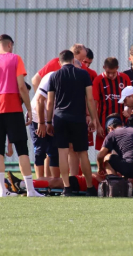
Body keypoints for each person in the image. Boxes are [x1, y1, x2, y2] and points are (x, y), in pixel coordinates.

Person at [0, 34, 43, 197]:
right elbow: (22, 87)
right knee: (22, 149)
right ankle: (30, 190)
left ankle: (1, 191)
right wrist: (28, 108)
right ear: (9, 45)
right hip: (14, 110)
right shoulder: (16, 59)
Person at [46, 50, 99, 196]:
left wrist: (48, 122)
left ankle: (67, 187)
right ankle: (89, 187)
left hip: (60, 118)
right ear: (73, 59)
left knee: (62, 153)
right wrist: (94, 119)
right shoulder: (83, 74)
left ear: (59, 61)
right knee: (83, 153)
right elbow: (89, 99)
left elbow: (50, 102)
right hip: (78, 118)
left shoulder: (54, 75)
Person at [96, 113, 133, 195]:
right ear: (122, 124)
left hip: (131, 168)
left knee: (107, 157)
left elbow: (100, 155)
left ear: (109, 128)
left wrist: (100, 168)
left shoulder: (112, 133)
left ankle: (114, 187)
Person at [93, 57, 131, 150]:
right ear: (103, 67)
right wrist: (98, 125)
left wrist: (128, 110)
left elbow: (131, 99)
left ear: (117, 68)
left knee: (122, 151)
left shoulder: (124, 78)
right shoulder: (98, 80)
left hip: (122, 123)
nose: (110, 75)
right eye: (108, 72)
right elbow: (94, 105)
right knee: (104, 151)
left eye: (113, 72)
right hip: (104, 124)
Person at [30, 71, 60, 178]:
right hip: (38, 116)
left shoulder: (75, 78)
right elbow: (40, 100)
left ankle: (55, 182)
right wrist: (42, 123)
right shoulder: (51, 77)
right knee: (40, 150)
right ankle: (40, 182)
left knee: (54, 150)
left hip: (54, 118)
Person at [6, 171, 104, 194]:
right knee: (49, 179)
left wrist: (95, 175)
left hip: (80, 183)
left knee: (54, 182)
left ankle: (21, 184)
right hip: (79, 180)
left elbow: (98, 178)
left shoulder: (111, 180)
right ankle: (21, 183)